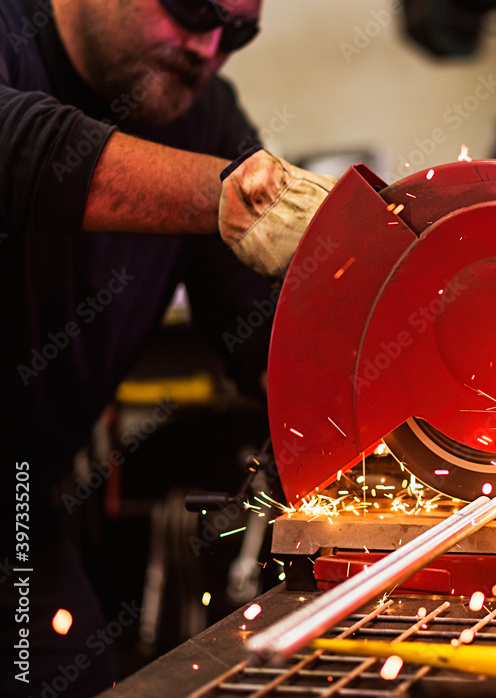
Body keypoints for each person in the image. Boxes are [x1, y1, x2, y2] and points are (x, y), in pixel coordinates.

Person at [1, 0, 334, 694]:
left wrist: (368, 399)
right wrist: (224, 198)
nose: (207, 45)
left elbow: (262, 329)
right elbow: (14, 145)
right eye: (190, 7)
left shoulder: (205, 118)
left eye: (236, 31)